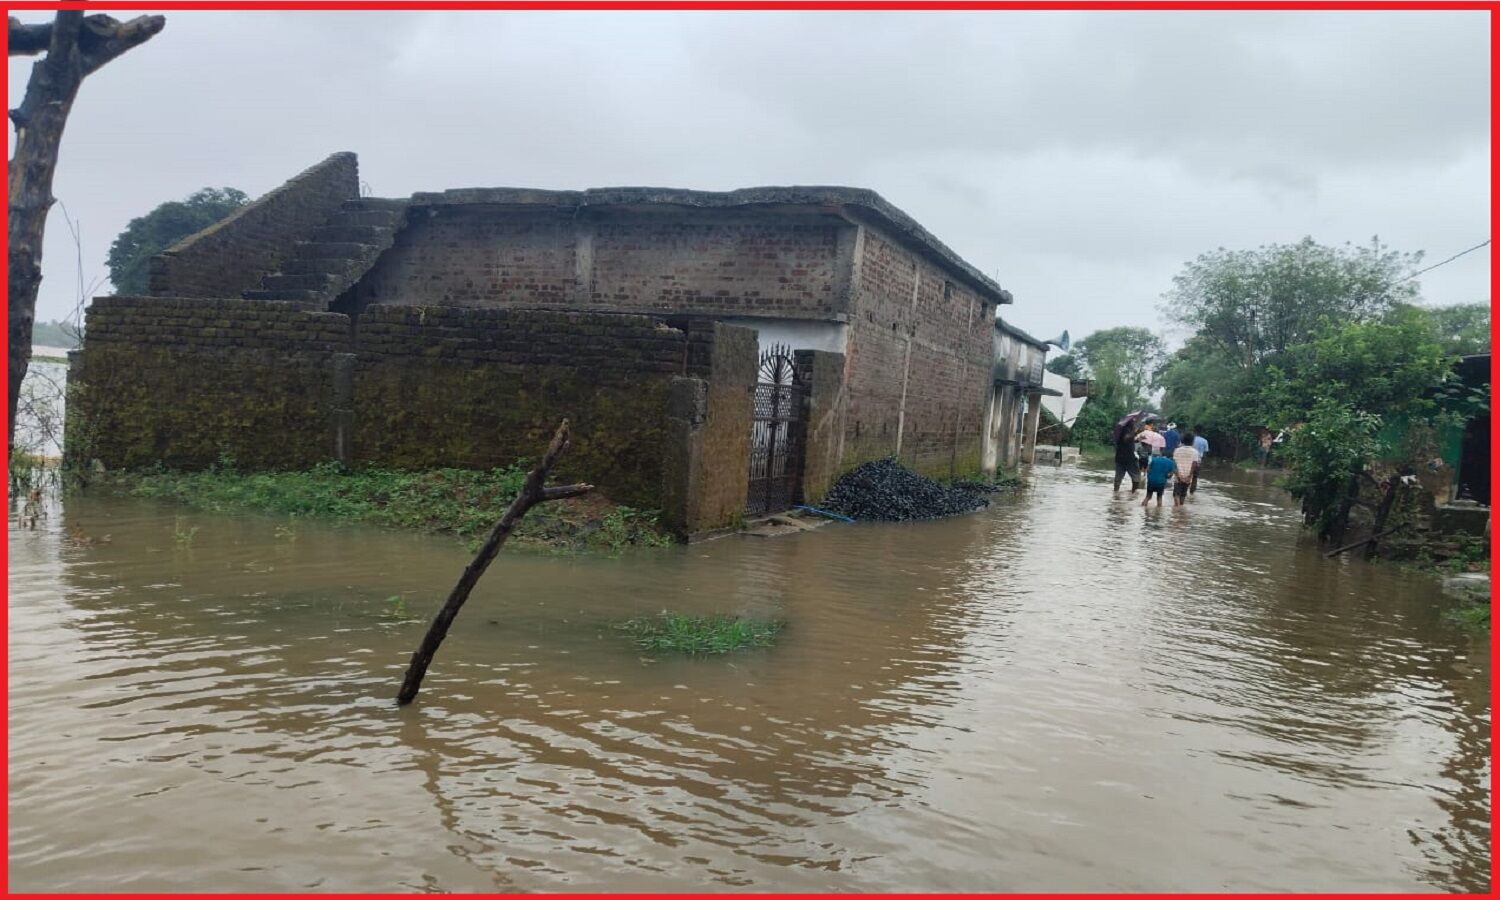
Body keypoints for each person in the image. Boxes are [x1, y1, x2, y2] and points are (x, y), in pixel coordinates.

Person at [1172, 431, 1200, 507]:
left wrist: (1178, 476)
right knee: (1183, 495)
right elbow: (1194, 465)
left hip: (1178, 476)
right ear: (1192, 441)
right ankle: (1180, 511)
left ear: (1183, 440)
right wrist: (1189, 476)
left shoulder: (1177, 450)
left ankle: (1177, 511)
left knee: (1176, 494)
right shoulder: (1195, 452)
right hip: (1188, 477)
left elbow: (1174, 464)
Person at [1113, 419, 1141, 492]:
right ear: (1129, 423)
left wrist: (1137, 439)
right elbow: (1126, 439)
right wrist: (1135, 432)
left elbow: (1127, 440)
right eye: (1133, 422)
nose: (1134, 423)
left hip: (1120, 457)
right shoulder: (1125, 430)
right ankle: (1133, 494)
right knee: (1136, 476)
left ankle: (1116, 493)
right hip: (1128, 458)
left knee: (1118, 478)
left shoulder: (1121, 431)